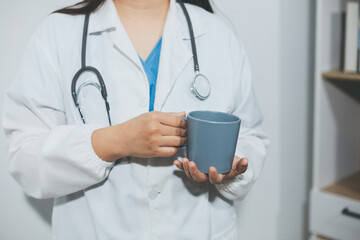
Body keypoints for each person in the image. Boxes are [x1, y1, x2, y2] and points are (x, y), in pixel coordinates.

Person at [1, 0, 269, 239]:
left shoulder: (217, 34)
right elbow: (24, 156)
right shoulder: (58, 33)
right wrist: (115, 141)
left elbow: (250, 137)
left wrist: (229, 169)